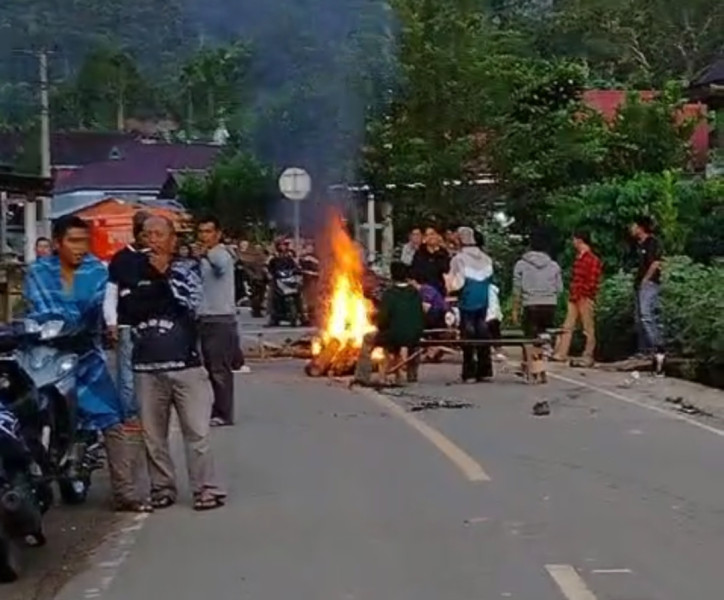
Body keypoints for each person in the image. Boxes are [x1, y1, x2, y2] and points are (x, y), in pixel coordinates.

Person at [24, 216, 151, 513]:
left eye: (84, 241)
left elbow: (104, 308)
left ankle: (125, 493)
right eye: (73, 241)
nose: (80, 248)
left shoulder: (97, 271)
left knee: (112, 420)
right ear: (57, 243)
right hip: (42, 355)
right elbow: (40, 310)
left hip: (85, 357)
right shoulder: (38, 272)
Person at [126, 215, 226, 511]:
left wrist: (161, 277)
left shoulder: (187, 271)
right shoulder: (131, 270)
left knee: (197, 431)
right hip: (146, 367)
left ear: (173, 240)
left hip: (186, 365)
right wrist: (152, 286)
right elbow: (129, 308)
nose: (153, 240)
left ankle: (205, 488)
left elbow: (191, 303)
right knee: (153, 437)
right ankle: (162, 488)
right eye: (148, 234)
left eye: (159, 234)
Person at [195, 216, 243, 428]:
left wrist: (204, 253)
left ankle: (224, 413)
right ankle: (216, 409)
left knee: (219, 370)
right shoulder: (204, 257)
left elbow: (221, 266)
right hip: (205, 318)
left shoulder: (221, 254)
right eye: (201, 232)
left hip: (220, 319)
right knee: (210, 368)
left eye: (208, 232)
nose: (204, 236)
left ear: (217, 234)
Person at [104, 210, 151, 420]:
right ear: (136, 233)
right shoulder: (121, 259)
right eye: (144, 232)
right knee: (126, 374)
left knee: (152, 373)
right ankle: (129, 415)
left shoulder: (158, 258)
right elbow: (111, 292)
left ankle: (149, 414)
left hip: (154, 326)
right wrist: (111, 322)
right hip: (127, 324)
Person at [447, 226, 494, 382]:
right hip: (483, 300)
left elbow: (456, 284)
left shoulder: (458, 259)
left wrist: (449, 285)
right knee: (482, 332)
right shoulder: (486, 258)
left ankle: (469, 373)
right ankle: (485, 370)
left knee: (467, 335)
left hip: (467, 300)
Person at [512, 228, 563, 371]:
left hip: (530, 304)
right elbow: (559, 289)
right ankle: (541, 363)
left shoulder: (521, 264)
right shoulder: (554, 265)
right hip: (549, 305)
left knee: (529, 337)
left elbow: (517, 290)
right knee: (543, 334)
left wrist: (515, 310)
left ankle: (529, 366)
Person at [553, 231, 603, 366]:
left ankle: (588, 355)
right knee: (567, 325)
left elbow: (593, 280)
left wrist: (586, 293)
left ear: (580, 241)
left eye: (574, 240)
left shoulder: (592, 259)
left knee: (588, 328)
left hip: (585, 296)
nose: (573, 243)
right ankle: (561, 353)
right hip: (575, 295)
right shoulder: (579, 258)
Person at [376, 262, 425, 383]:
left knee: (368, 339)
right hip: (415, 334)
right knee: (406, 339)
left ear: (392, 276)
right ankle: (411, 375)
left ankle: (362, 376)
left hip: (394, 335)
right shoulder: (415, 293)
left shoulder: (389, 294)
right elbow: (421, 314)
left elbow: (383, 319)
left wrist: (379, 327)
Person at [630, 216, 664, 359]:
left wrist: (645, 279)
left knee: (647, 316)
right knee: (639, 319)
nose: (631, 229)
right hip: (639, 285)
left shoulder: (652, 243)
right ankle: (643, 350)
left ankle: (657, 347)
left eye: (633, 226)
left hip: (649, 284)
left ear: (640, 227)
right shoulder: (639, 244)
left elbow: (655, 263)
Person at [410, 226, 450, 297]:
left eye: (432, 234)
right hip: (424, 292)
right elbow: (414, 275)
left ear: (438, 236)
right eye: (427, 235)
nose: (430, 237)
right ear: (424, 238)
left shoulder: (444, 254)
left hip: (440, 293)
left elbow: (447, 273)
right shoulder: (419, 254)